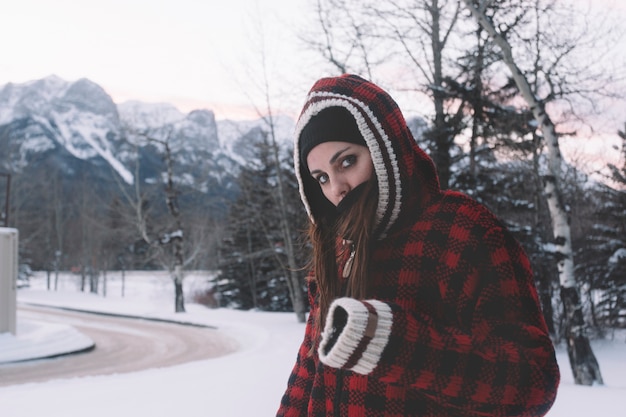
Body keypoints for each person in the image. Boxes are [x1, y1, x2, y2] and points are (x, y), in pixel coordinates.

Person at [276, 74, 560, 417]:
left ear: (384, 150)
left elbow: (534, 381)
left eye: (347, 162)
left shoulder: (463, 229)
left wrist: (394, 344)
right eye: (321, 178)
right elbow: (308, 375)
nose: (336, 188)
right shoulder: (339, 250)